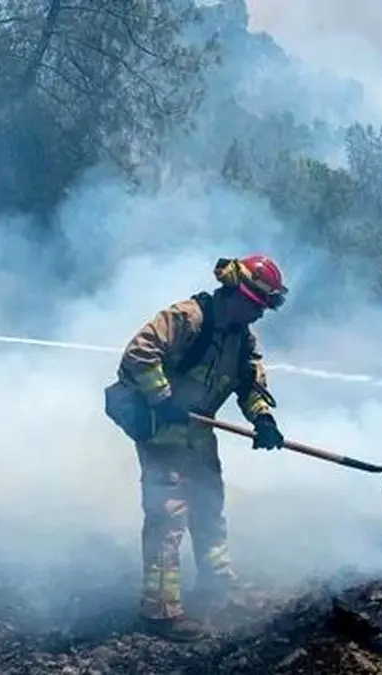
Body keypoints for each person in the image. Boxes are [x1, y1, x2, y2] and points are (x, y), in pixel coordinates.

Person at [106, 255, 289, 641]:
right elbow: (139, 353)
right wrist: (162, 397)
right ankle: (158, 612)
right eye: (255, 306)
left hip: (200, 432)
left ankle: (216, 584)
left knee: (209, 507)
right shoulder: (188, 317)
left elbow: (251, 383)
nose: (258, 316)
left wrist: (263, 420)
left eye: (263, 309)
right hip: (163, 431)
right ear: (235, 294)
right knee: (168, 516)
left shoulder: (242, 338)